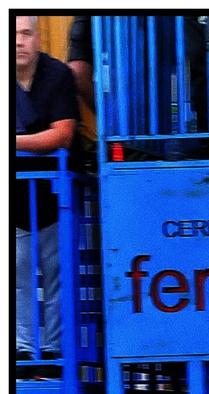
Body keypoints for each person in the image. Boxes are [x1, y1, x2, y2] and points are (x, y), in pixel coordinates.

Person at [14, 16, 78, 359]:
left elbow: (63, 136)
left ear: (38, 38)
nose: (19, 41)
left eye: (26, 33)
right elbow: (52, 135)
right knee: (17, 274)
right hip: (15, 195)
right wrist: (36, 142)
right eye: (13, 35)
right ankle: (23, 351)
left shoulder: (56, 74)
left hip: (56, 193)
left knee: (58, 273)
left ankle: (54, 351)